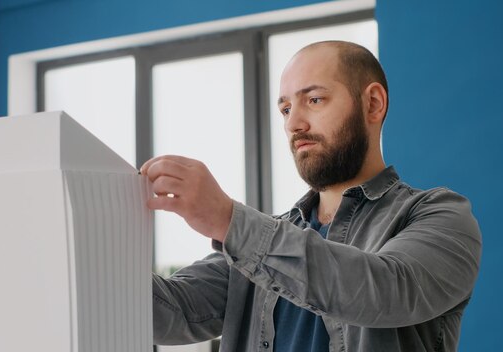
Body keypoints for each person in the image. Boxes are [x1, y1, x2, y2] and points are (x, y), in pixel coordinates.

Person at [140, 40, 482, 352]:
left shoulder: (441, 215)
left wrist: (229, 220)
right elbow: (171, 313)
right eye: (286, 109)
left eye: (314, 100)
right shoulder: (258, 242)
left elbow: (385, 291)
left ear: (373, 104)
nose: (294, 124)